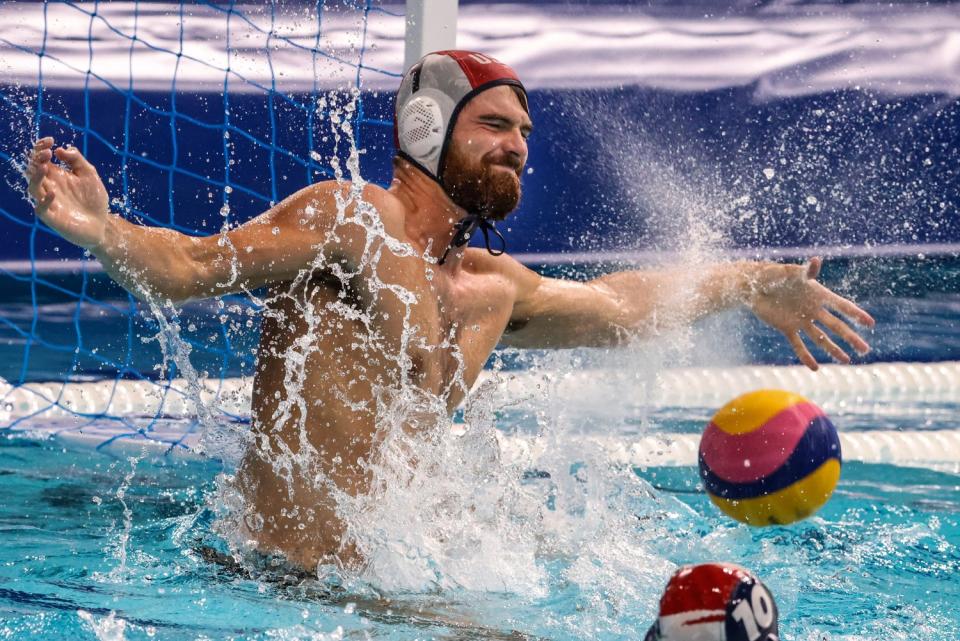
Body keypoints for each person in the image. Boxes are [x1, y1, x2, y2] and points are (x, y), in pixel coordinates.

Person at [24, 50, 874, 572]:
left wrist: (760, 280)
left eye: (526, 132)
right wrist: (103, 229)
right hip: (276, 576)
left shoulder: (490, 288)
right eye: (496, 124)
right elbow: (191, 266)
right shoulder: (353, 219)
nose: (517, 145)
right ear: (428, 128)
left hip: (390, 579)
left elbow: (620, 305)